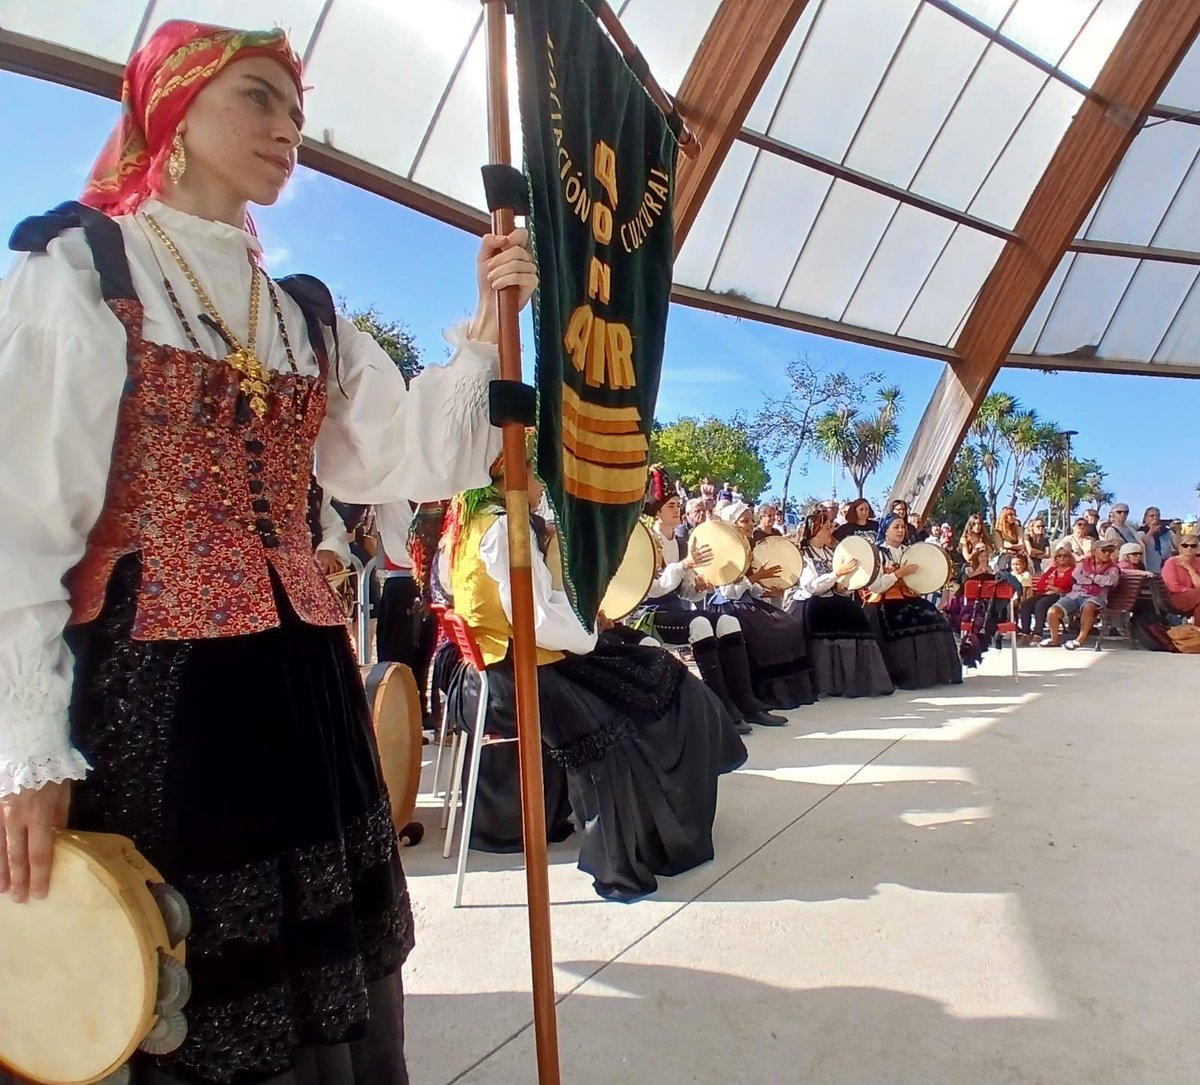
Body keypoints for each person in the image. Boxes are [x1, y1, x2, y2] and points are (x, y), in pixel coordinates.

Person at [0, 21, 541, 1081]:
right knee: (173, 983)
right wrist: (27, 751)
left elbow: (405, 454)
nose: (287, 127)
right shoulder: (80, 262)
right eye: (258, 97)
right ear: (177, 109)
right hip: (160, 697)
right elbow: (21, 520)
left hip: (302, 691)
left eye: (296, 109)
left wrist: (487, 321)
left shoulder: (304, 314)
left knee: (321, 1003)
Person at [443, 439, 747, 901]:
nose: (545, 483)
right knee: (646, 700)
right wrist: (588, 630)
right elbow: (535, 618)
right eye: (539, 472)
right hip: (519, 675)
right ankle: (639, 848)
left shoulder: (470, 520)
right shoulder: (506, 528)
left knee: (646, 667)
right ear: (515, 473)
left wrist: (586, 623)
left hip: (491, 670)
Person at [641, 492, 786, 731]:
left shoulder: (680, 544)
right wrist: (685, 565)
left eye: (678, 505)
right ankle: (721, 708)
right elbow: (651, 589)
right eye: (671, 505)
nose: (677, 509)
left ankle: (745, 701)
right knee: (701, 624)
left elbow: (686, 592)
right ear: (657, 512)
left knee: (728, 622)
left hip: (675, 610)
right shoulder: (647, 540)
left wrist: (700, 585)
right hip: (649, 614)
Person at [704, 502, 818, 710]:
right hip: (728, 607)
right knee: (769, 632)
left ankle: (789, 690)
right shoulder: (724, 552)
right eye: (745, 521)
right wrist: (758, 576)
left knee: (789, 624)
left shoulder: (747, 549)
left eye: (751, 520)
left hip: (746, 603)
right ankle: (764, 692)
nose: (750, 525)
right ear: (732, 524)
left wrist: (766, 590)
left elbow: (749, 589)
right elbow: (728, 592)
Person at [784, 512, 893, 698]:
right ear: (815, 531)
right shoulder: (804, 555)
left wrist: (844, 585)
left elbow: (842, 587)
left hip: (833, 598)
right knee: (824, 614)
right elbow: (811, 587)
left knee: (856, 615)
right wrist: (836, 574)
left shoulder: (831, 553)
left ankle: (854, 680)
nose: (831, 531)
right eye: (827, 528)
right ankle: (827, 681)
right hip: (811, 601)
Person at [863, 516, 962, 689]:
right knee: (903, 621)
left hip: (909, 597)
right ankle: (905, 674)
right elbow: (875, 587)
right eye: (896, 527)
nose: (901, 530)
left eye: (903, 527)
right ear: (886, 530)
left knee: (934, 617)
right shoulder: (878, 554)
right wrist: (898, 574)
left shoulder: (911, 551)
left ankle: (936, 672)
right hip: (885, 600)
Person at [375, 501, 439, 722]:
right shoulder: (387, 486)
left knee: (423, 654)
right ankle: (396, 716)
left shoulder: (432, 485)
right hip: (400, 578)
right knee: (396, 656)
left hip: (431, 580)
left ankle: (419, 713)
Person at [1042, 538, 1121, 649]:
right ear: (1094, 551)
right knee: (1053, 611)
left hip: (1096, 596)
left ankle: (1080, 640)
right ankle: (1054, 639)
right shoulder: (1084, 563)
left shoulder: (1113, 568)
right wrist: (1096, 580)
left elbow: (1110, 581)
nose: (1107, 553)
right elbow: (1076, 576)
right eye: (1104, 550)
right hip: (1075, 594)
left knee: (1088, 607)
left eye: (1110, 551)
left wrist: (1091, 577)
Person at [1019, 546, 1075, 643]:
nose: (1061, 558)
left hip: (1063, 596)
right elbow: (1040, 584)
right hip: (1047, 593)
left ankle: (1037, 634)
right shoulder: (1052, 569)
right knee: (1026, 604)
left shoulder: (1072, 570)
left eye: (1065, 556)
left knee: (1041, 604)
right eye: (1059, 556)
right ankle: (1025, 633)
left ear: (1069, 557)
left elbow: (1065, 585)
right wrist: (1053, 587)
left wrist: (1052, 585)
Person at [1161, 536, 1200, 622]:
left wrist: (1190, 568)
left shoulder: (1198, 562)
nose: (1189, 548)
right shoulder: (1171, 562)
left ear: (1197, 548)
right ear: (1180, 548)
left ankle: (1197, 632)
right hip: (1175, 598)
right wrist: (1191, 591)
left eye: (1193, 546)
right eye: (1185, 545)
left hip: (1195, 597)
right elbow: (1173, 587)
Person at [1139, 506, 1177, 574]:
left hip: (1166, 568)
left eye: (1157, 516)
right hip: (1149, 569)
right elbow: (1141, 545)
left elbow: (1178, 545)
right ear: (1146, 519)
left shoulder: (1166, 532)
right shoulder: (1141, 532)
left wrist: (1177, 530)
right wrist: (1151, 531)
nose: (1155, 518)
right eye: (1151, 516)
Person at [991, 506, 1024, 571]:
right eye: (1011, 515)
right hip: (1005, 557)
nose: (1014, 517)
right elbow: (1001, 549)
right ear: (1004, 517)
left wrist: (1011, 546)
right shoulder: (998, 531)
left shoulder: (1018, 528)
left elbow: (1022, 545)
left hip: (1018, 557)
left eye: (1014, 515)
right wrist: (1010, 549)